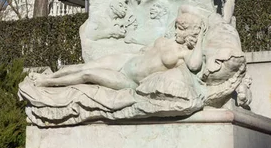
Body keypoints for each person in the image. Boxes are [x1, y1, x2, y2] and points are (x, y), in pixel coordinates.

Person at [34, 6, 206, 91]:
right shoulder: (169, 39)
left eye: (181, 29)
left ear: (192, 32)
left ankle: (46, 82)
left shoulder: (186, 53)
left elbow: (195, 66)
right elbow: (182, 9)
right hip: (127, 59)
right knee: (85, 66)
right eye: (177, 27)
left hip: (130, 80)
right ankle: (50, 75)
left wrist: (201, 36)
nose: (177, 31)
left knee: (87, 75)